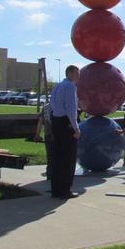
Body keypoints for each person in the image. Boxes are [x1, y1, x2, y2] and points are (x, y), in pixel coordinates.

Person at [49, 65, 80, 199]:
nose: (79, 76)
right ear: (71, 73)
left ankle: (56, 189)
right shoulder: (70, 87)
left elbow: (51, 105)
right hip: (66, 123)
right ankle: (65, 190)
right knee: (68, 158)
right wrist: (76, 128)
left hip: (56, 121)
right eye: (77, 73)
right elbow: (71, 110)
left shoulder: (57, 86)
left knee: (57, 157)